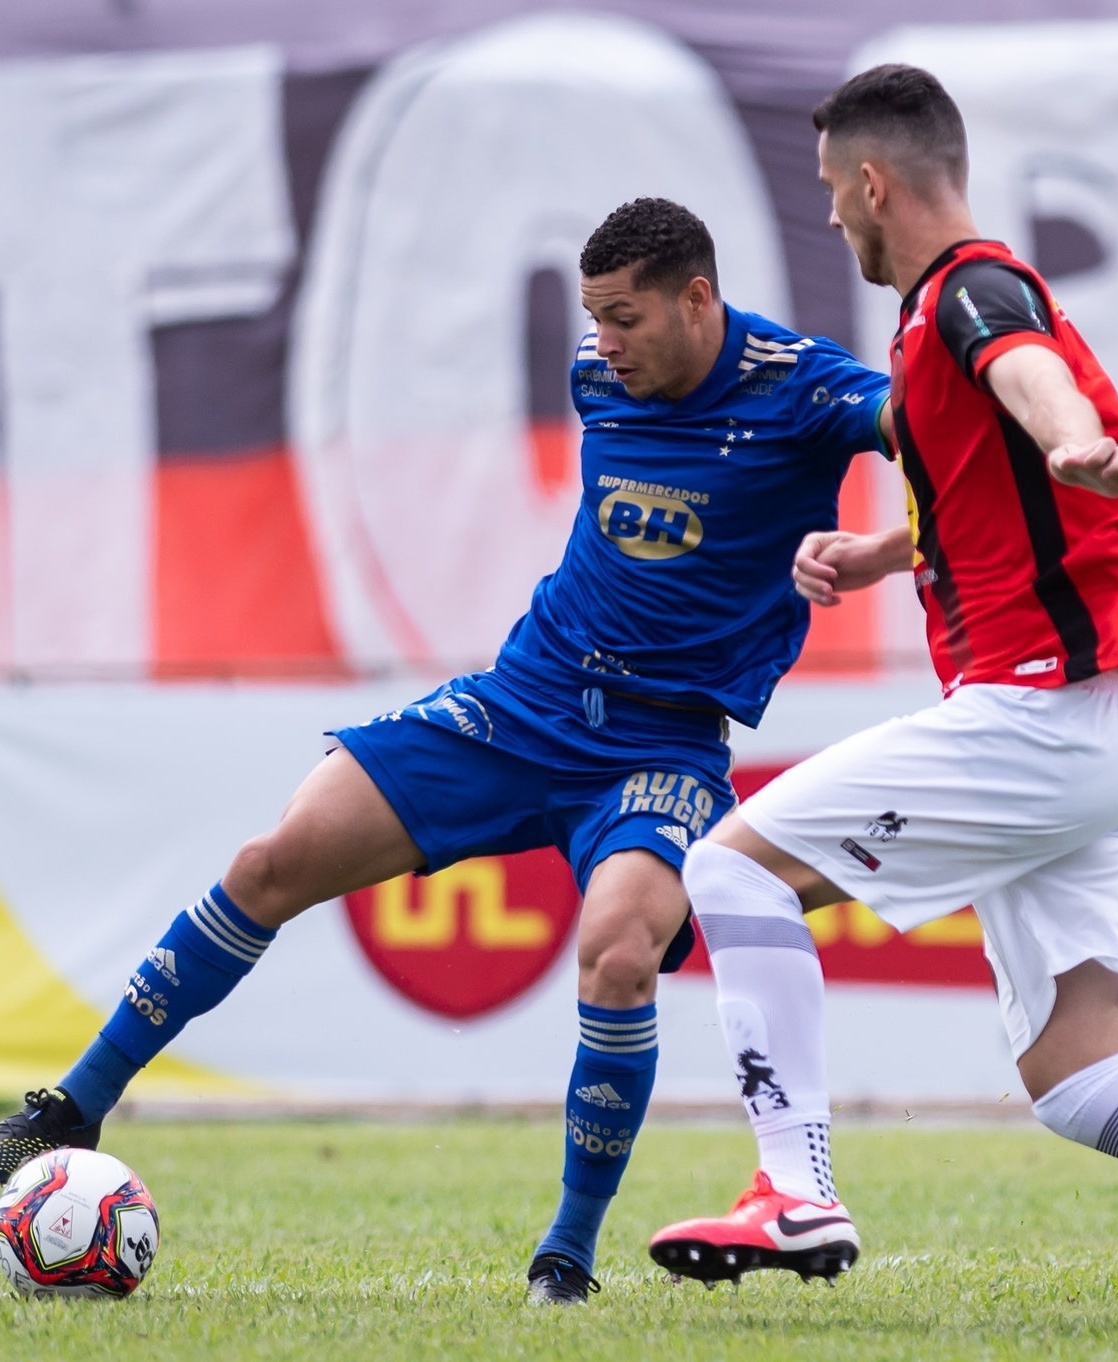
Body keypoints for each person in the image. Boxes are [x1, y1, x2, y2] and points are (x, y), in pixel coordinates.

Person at [0, 198, 893, 1305]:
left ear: (698, 298)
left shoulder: (807, 388)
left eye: (624, 318)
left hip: (660, 744)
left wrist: (890, 548)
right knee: (271, 862)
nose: (601, 345)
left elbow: (943, 439)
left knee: (619, 952)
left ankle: (565, 1259)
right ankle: (66, 1108)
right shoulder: (600, 378)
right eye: (593, 319)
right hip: (524, 702)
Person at [647, 66, 1118, 1323]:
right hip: (1114, 739)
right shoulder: (940, 317)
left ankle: (793, 1189)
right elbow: (991, 490)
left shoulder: (968, 291)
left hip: (1038, 718)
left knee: (733, 870)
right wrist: (885, 550)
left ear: (874, 183)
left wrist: (1069, 431)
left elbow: (1030, 375)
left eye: (830, 193)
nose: (830, 220)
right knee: (1078, 1078)